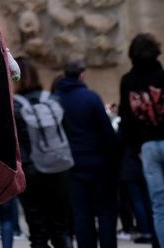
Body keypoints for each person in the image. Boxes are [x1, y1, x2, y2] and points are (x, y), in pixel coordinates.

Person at [54, 58, 120, 248]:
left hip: (71, 166)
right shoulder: (91, 97)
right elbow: (107, 134)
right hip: (98, 165)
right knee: (106, 215)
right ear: (82, 74)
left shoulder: (57, 99)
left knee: (82, 216)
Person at [13, 57, 72, 248]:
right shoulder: (53, 100)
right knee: (61, 229)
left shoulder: (15, 106)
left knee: (38, 232)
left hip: (31, 171)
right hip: (58, 167)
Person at [118, 33, 164, 248]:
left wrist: (134, 146)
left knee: (158, 203)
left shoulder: (128, 81)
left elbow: (126, 119)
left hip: (146, 147)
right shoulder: (162, 76)